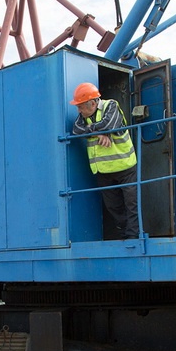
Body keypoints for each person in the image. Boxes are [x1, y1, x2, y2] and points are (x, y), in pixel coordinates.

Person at [70, 82, 140, 239]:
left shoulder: (111, 106)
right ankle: (123, 236)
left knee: (131, 204)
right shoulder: (83, 117)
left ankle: (133, 237)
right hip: (103, 170)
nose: (78, 110)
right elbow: (76, 130)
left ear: (93, 103)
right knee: (113, 207)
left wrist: (94, 131)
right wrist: (101, 133)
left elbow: (109, 123)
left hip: (125, 165)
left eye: (80, 106)